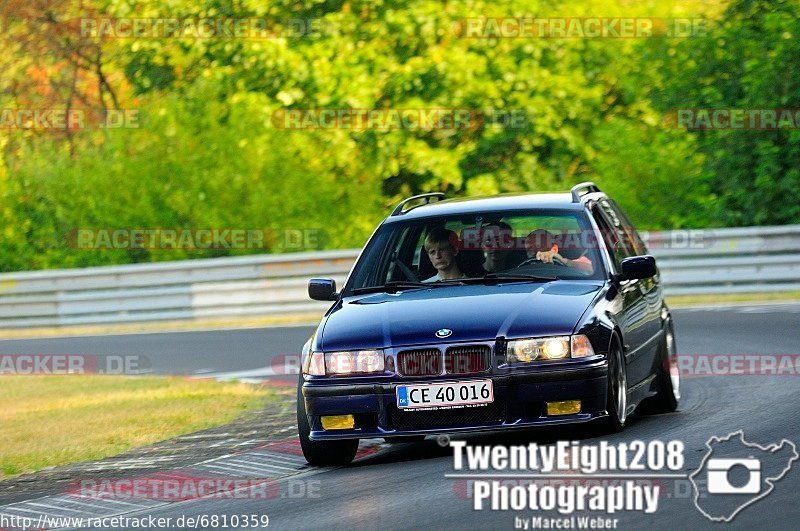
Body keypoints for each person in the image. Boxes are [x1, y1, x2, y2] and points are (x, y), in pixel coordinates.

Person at [525, 229, 594, 274]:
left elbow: (591, 270)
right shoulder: (518, 273)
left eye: (538, 247)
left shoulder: (573, 267)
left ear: (554, 249)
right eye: (529, 249)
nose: (536, 253)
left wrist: (563, 261)